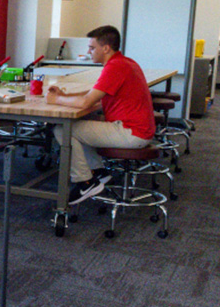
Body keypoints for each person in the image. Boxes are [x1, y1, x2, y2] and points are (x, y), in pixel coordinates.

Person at [46, 25, 156, 205]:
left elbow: (86, 102)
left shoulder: (115, 67)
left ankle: (85, 182)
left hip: (132, 133)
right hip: (138, 129)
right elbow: (94, 94)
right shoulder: (124, 62)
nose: (88, 52)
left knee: (63, 130)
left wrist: (55, 99)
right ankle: (98, 172)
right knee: (82, 122)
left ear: (105, 48)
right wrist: (65, 96)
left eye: (92, 48)